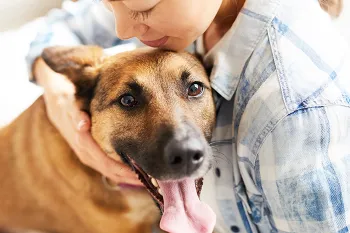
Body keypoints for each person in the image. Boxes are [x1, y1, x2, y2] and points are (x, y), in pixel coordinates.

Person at [27, 0, 350, 232]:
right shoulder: (187, 13)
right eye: (111, 4)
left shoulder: (293, 115)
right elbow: (60, 28)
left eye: (144, 7)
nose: (123, 29)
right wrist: (60, 103)